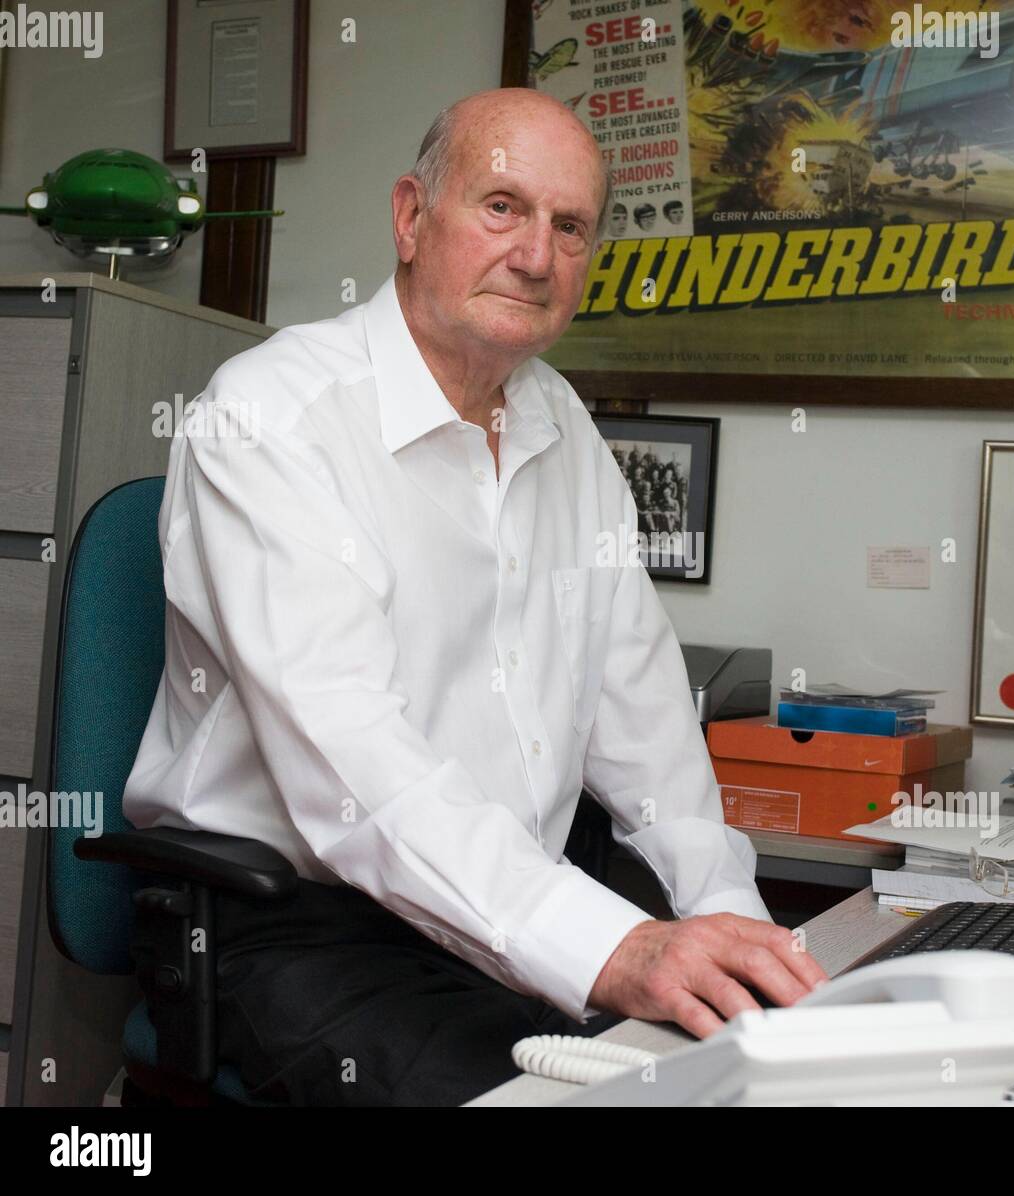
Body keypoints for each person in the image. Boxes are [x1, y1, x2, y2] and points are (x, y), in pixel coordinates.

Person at [123, 87, 826, 1107]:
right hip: (304, 921)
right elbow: (356, 769)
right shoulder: (270, 418)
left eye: (569, 225)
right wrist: (618, 946)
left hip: (507, 904)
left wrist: (735, 928)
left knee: (736, 1083)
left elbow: (646, 722)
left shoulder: (564, 429)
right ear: (412, 218)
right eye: (502, 206)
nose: (536, 255)